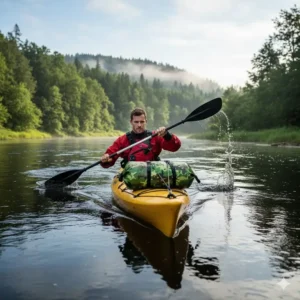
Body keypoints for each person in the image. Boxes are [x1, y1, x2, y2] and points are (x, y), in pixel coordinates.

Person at [100, 107, 181, 168]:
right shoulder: (122, 140)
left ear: (146, 121)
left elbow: (175, 147)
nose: (139, 125)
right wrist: (106, 159)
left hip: (153, 173)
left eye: (142, 122)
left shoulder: (156, 136)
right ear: (131, 122)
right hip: (132, 176)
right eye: (136, 122)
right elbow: (109, 160)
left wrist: (167, 135)